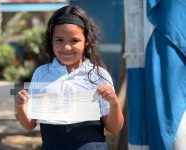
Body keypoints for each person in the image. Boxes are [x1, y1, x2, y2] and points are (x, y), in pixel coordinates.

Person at [14, 5, 124, 150]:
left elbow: (114, 128)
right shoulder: (41, 74)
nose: (66, 47)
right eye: (59, 40)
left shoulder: (98, 75)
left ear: (86, 41)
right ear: (51, 41)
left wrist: (114, 103)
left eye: (74, 40)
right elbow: (29, 124)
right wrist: (20, 106)